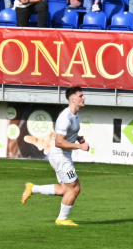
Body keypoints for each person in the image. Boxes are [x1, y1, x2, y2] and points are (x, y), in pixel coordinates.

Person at [21, 86, 91, 226]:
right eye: (80, 96)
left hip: (63, 156)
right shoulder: (65, 117)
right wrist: (80, 146)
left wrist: (77, 137)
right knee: (75, 188)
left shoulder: (75, 114)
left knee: (65, 189)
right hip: (60, 157)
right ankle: (62, 219)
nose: (83, 98)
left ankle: (32, 188)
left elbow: (68, 133)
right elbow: (59, 142)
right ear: (72, 99)